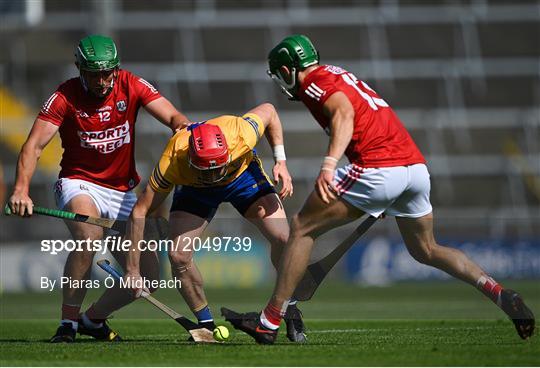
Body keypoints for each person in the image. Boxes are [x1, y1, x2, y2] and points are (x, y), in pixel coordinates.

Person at [222, 34, 535, 344]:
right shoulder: (336, 72)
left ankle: (269, 321)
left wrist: (330, 164)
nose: (281, 81)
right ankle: (498, 292)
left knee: (302, 227)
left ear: (288, 70)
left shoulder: (311, 82)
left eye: (279, 74)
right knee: (427, 250)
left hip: (377, 167)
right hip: (414, 169)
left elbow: (344, 113)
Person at [7, 35, 190, 343]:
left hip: (122, 193)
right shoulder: (64, 96)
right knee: (89, 237)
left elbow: (174, 117)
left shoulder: (131, 84)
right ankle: (68, 323)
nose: (103, 80)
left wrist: (184, 131)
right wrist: (21, 189)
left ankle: (92, 320)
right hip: (79, 183)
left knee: (149, 278)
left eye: (108, 72)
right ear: (80, 69)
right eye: (95, 73)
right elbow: (34, 146)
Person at [122, 102, 307, 343]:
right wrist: (132, 270)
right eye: (206, 171)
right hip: (195, 190)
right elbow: (140, 210)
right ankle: (205, 325)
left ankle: (288, 305)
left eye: (216, 169)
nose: (212, 177)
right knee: (178, 256)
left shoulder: (241, 132)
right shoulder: (173, 159)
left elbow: (271, 110)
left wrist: (280, 161)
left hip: (241, 178)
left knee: (284, 239)